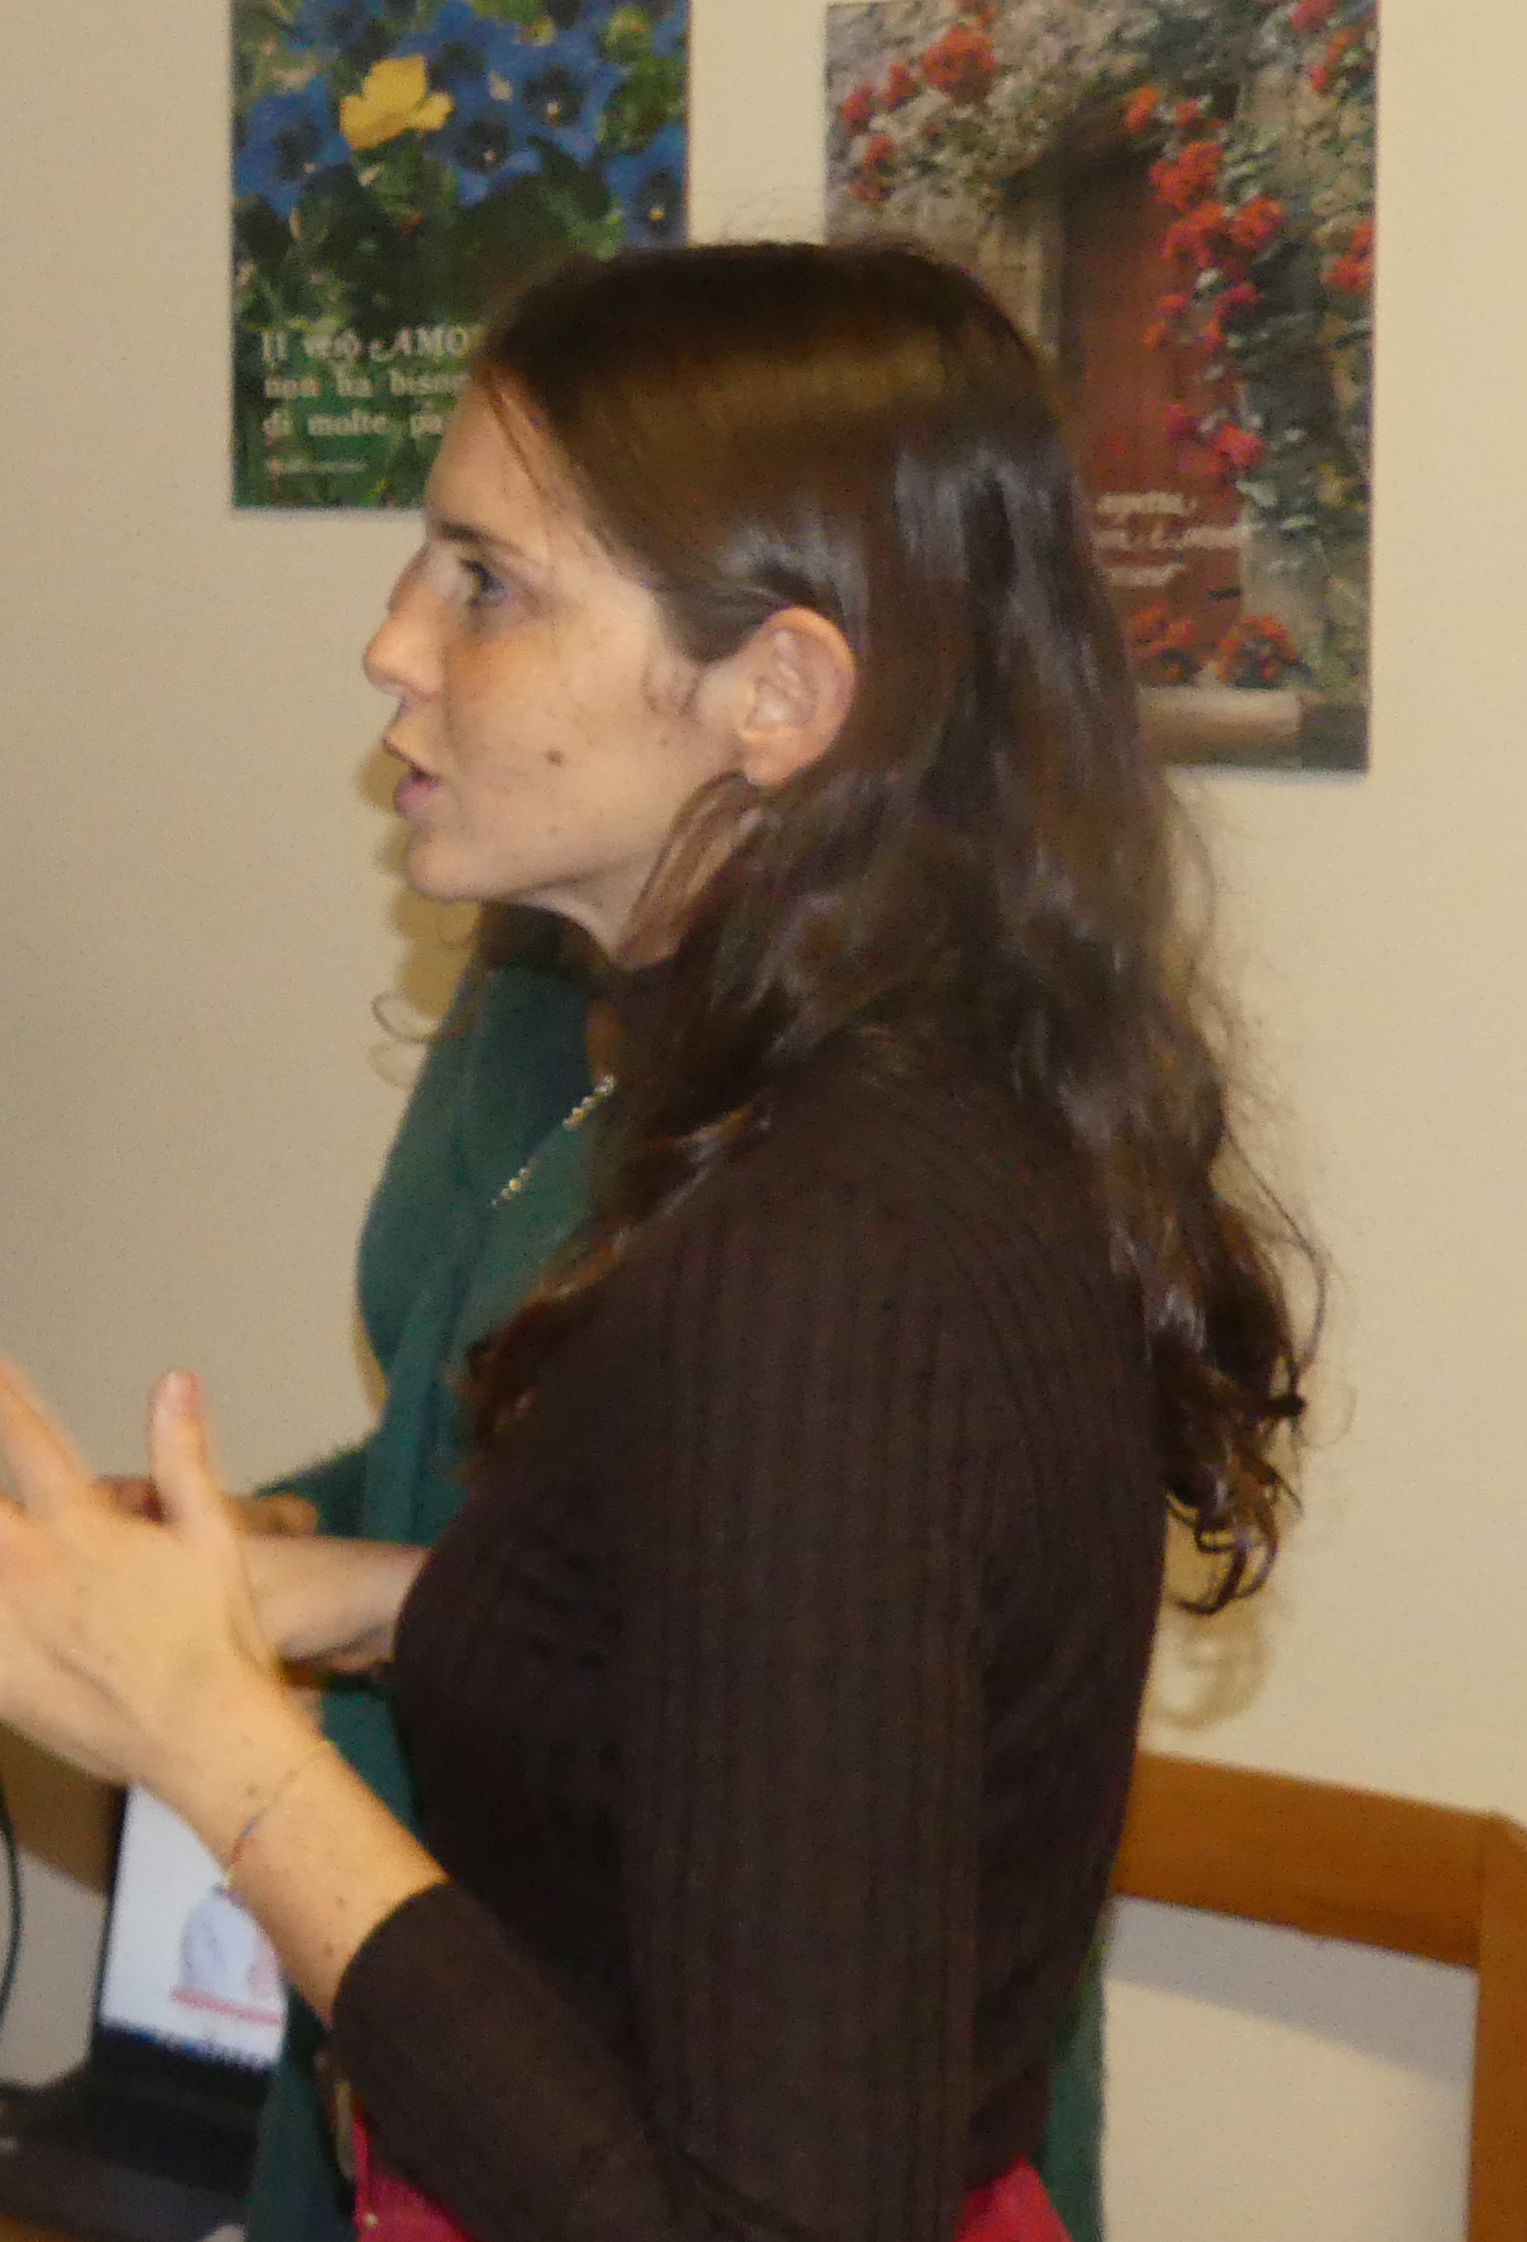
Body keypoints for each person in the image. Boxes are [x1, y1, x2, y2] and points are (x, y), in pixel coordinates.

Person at [0, 243, 1315, 2242]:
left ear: (778, 695)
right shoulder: (861, 1106)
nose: (391, 645)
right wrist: (358, 1598)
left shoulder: (827, 1259)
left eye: (487, 585)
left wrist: (217, 1749)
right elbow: (749, 1676)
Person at [230, 908, 1109, 2242]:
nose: (391, 696)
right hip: (413, 1946)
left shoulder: (850, 1176)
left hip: (646, 2049)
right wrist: (305, 1532)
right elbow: (485, 1447)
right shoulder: (523, 981)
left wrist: (216, 1745)